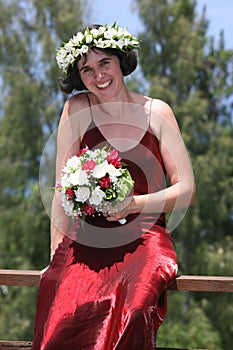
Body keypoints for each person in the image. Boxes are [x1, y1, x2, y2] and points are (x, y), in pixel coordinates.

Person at [32, 23, 195, 349]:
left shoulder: (157, 111)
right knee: (62, 316)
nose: (98, 75)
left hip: (145, 240)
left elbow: (186, 189)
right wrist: (55, 255)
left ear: (121, 61)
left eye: (104, 63)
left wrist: (134, 204)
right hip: (86, 239)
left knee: (132, 313)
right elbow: (61, 188)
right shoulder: (76, 109)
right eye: (86, 69)